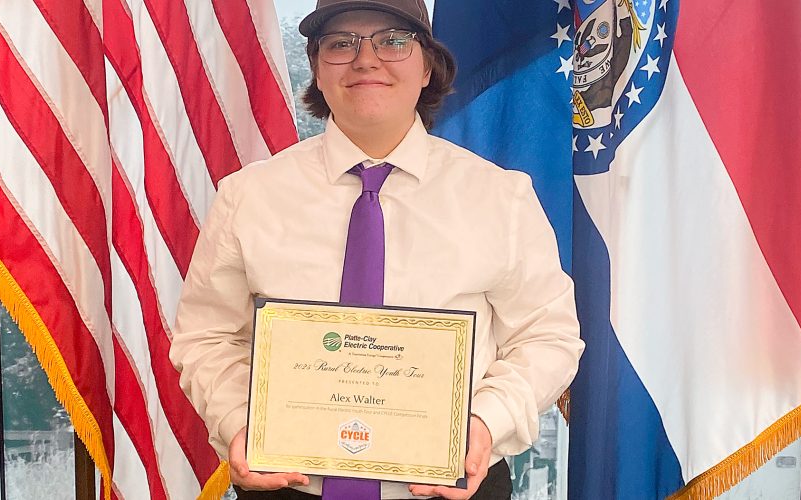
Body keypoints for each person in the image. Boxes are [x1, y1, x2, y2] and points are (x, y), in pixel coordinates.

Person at [169, 1, 584, 498]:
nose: (366, 59)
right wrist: (239, 421)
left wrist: (486, 423)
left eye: (393, 41)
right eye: (341, 44)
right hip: (286, 486)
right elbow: (207, 336)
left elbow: (547, 336)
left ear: (428, 67)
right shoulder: (248, 196)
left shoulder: (501, 198)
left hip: (452, 486)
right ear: (317, 69)